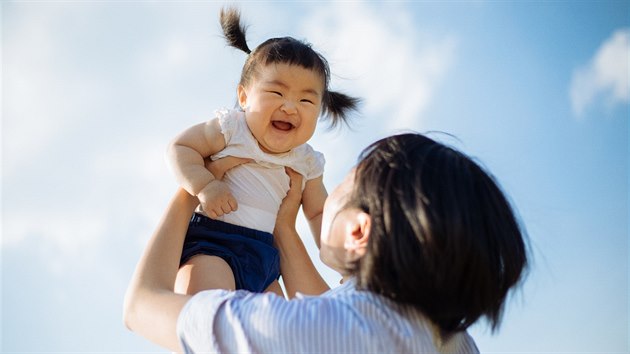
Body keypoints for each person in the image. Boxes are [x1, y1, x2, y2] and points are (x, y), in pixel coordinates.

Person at [124, 132, 529, 353]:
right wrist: (284, 228)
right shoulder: (457, 343)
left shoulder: (302, 332)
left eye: (342, 186)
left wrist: (192, 190)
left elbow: (143, 305)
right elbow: (336, 307)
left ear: (358, 231)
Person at [166, 7, 359, 297]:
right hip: (214, 242)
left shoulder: (306, 161)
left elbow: (320, 213)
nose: (290, 107)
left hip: (267, 260)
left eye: (306, 100)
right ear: (244, 97)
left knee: (275, 329)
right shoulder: (232, 129)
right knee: (207, 300)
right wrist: (205, 184)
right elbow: (181, 147)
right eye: (277, 93)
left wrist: (345, 261)